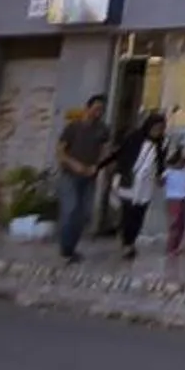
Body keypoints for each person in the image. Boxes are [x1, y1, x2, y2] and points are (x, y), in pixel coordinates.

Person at [52, 94, 112, 264]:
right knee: (70, 209)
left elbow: (105, 152)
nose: (98, 113)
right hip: (70, 175)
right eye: (96, 109)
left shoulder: (103, 130)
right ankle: (65, 249)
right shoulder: (73, 127)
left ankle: (71, 249)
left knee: (83, 213)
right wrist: (74, 164)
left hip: (90, 176)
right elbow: (60, 152)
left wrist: (98, 167)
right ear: (87, 108)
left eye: (101, 110)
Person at [112, 112, 168, 261]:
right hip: (130, 180)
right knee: (128, 213)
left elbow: (160, 163)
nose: (157, 131)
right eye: (156, 127)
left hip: (146, 184)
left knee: (139, 213)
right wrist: (118, 174)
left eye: (160, 128)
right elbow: (123, 157)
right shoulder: (134, 138)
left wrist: (160, 176)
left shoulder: (160, 144)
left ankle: (131, 241)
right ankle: (126, 243)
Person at [161, 142, 185, 260]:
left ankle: (175, 246)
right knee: (175, 223)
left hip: (182, 199)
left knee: (181, 223)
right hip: (173, 199)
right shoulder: (169, 172)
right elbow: (161, 182)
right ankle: (171, 247)